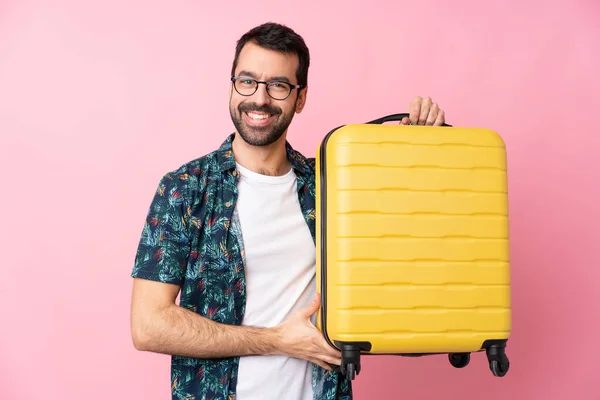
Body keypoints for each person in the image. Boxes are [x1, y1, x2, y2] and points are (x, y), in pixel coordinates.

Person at [130, 22, 447, 400]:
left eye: (278, 85)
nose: (259, 99)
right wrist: (277, 341)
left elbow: (404, 254)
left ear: (300, 98)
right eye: (247, 81)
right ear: (232, 86)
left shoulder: (332, 187)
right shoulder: (186, 188)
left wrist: (419, 151)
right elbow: (148, 325)